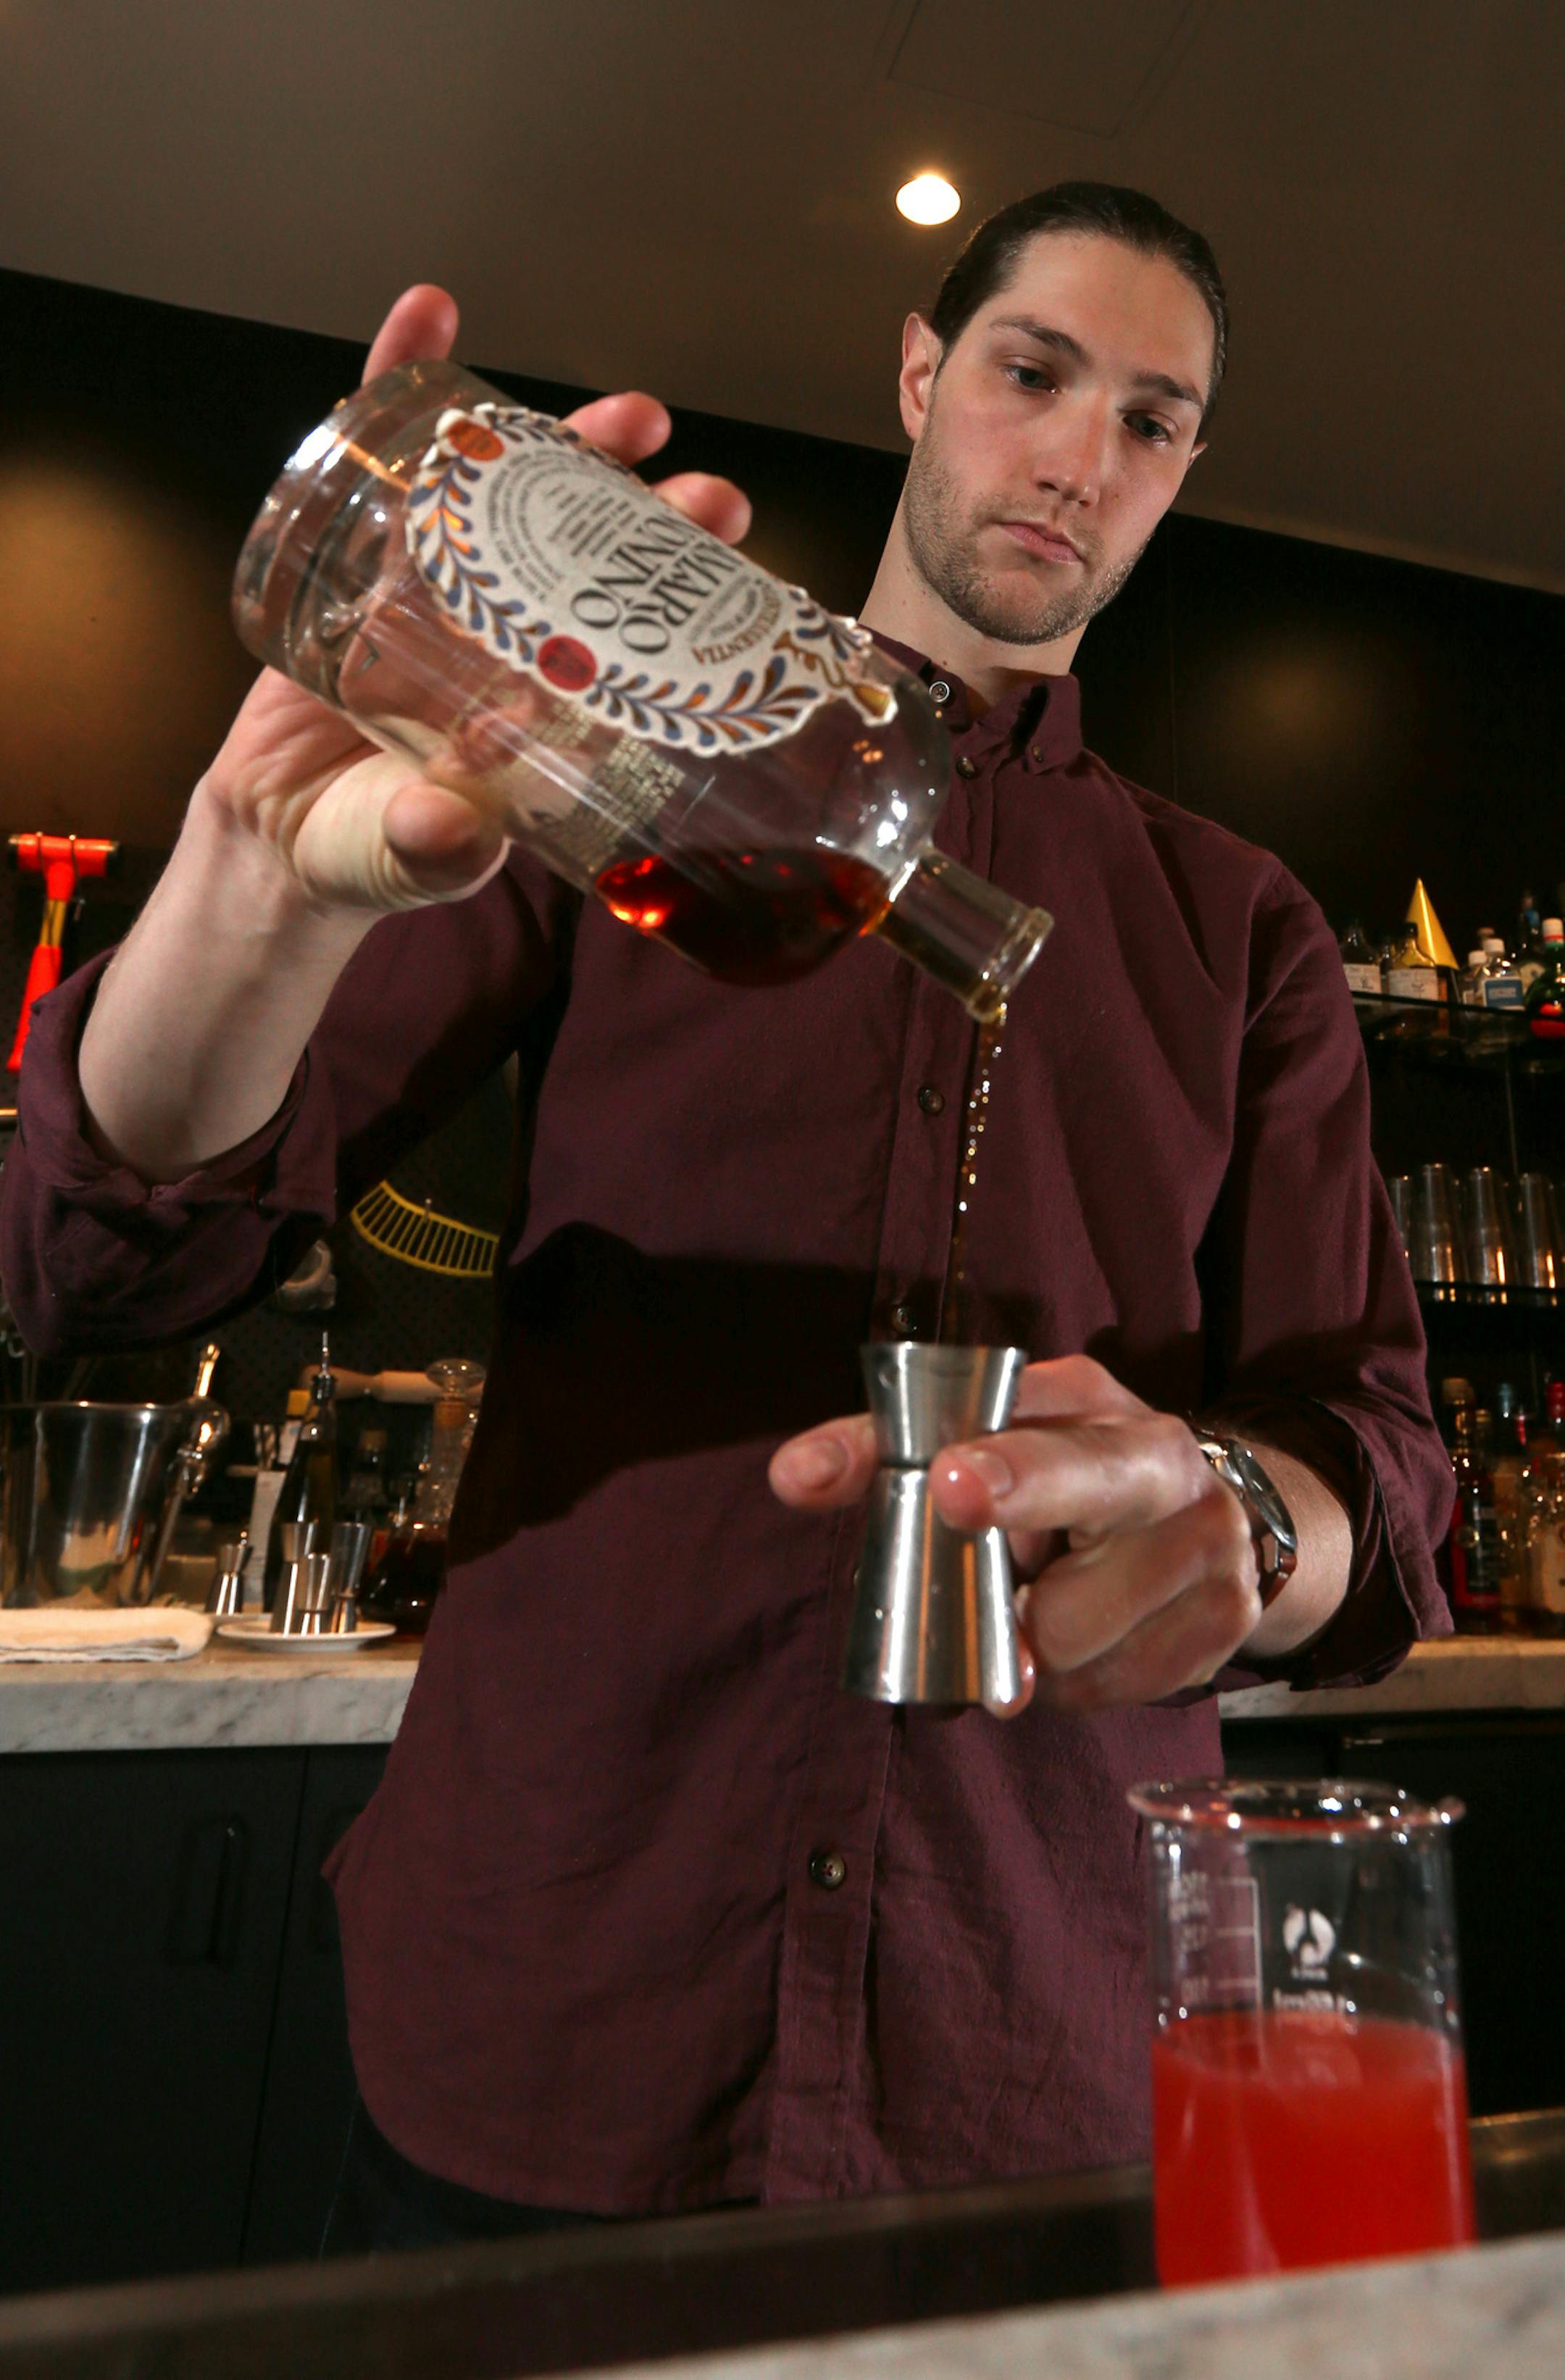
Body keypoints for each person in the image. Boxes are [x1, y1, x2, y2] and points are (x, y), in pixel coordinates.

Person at [0, 183, 1451, 2244]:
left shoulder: (1245, 929)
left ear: (1186, 469)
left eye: (1151, 420)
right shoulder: (607, 755)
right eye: (1033, 373)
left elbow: (1378, 1457)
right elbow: (112, 1250)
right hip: (561, 1998)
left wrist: (1240, 1510)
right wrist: (254, 885)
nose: (1079, 458)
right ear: (922, 376)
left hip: (1019, 2053)